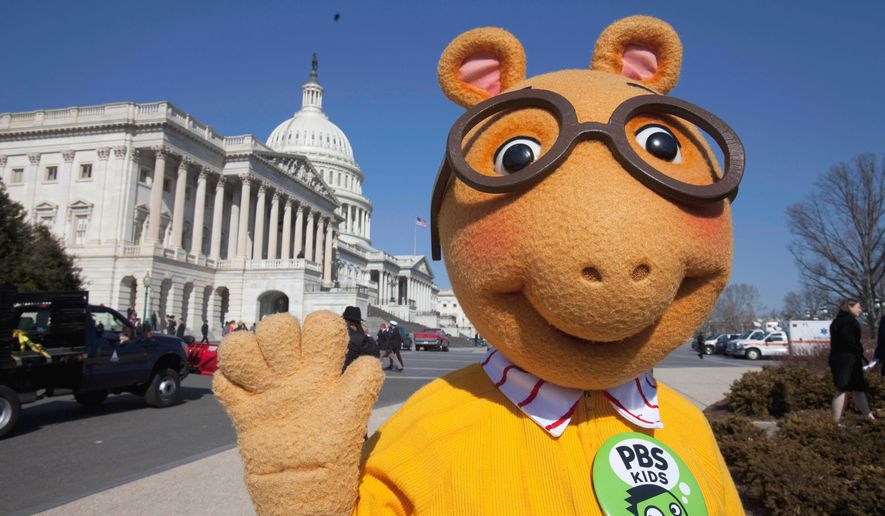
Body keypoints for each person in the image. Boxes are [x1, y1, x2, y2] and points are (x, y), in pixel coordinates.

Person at [829, 299, 875, 424]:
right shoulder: (848, 321)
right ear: (850, 307)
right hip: (846, 360)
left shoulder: (837, 321)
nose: (860, 310)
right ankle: (836, 421)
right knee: (843, 388)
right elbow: (849, 340)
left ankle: (869, 417)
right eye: (858, 307)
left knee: (858, 389)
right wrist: (859, 350)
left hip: (844, 358)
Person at [342, 306, 379, 371]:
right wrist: (366, 334)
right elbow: (375, 353)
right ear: (357, 324)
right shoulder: (360, 338)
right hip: (353, 374)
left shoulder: (339, 335)